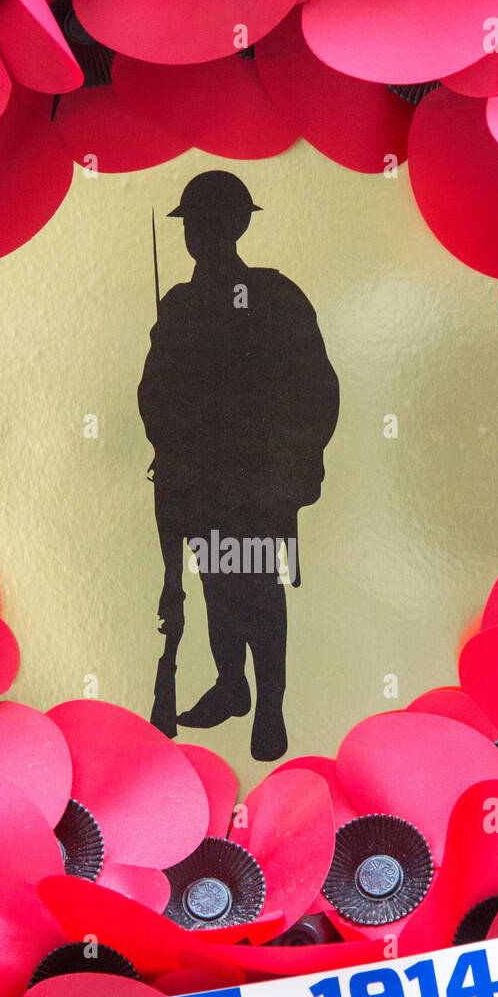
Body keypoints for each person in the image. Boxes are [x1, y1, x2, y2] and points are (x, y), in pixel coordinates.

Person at [138, 171, 339, 762]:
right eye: (196, 224)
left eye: (211, 222)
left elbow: (316, 389)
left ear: (236, 225)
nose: (201, 234)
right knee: (215, 584)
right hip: (197, 478)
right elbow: (154, 393)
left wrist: (295, 469)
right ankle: (233, 686)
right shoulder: (180, 304)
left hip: (256, 481)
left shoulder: (274, 295)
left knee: (255, 587)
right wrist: (171, 446)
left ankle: (269, 705)